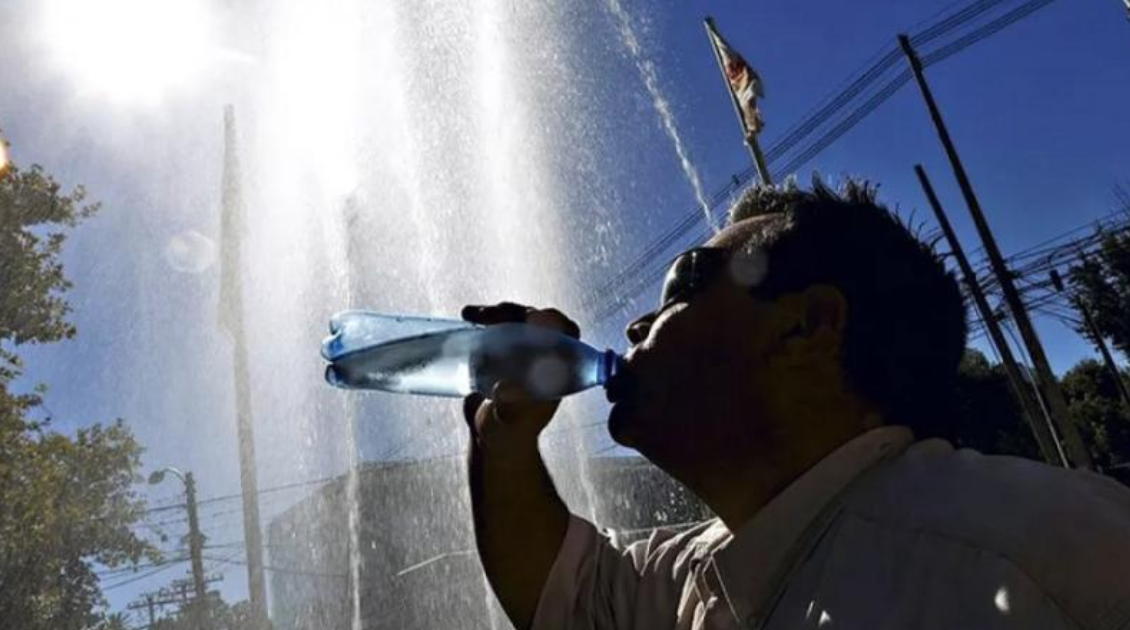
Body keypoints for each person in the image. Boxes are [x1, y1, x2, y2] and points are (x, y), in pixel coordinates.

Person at [460, 179, 1130, 630]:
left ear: (807, 327)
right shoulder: (718, 567)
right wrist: (504, 433)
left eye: (684, 281)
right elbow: (565, 595)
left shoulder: (1042, 552)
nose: (639, 322)